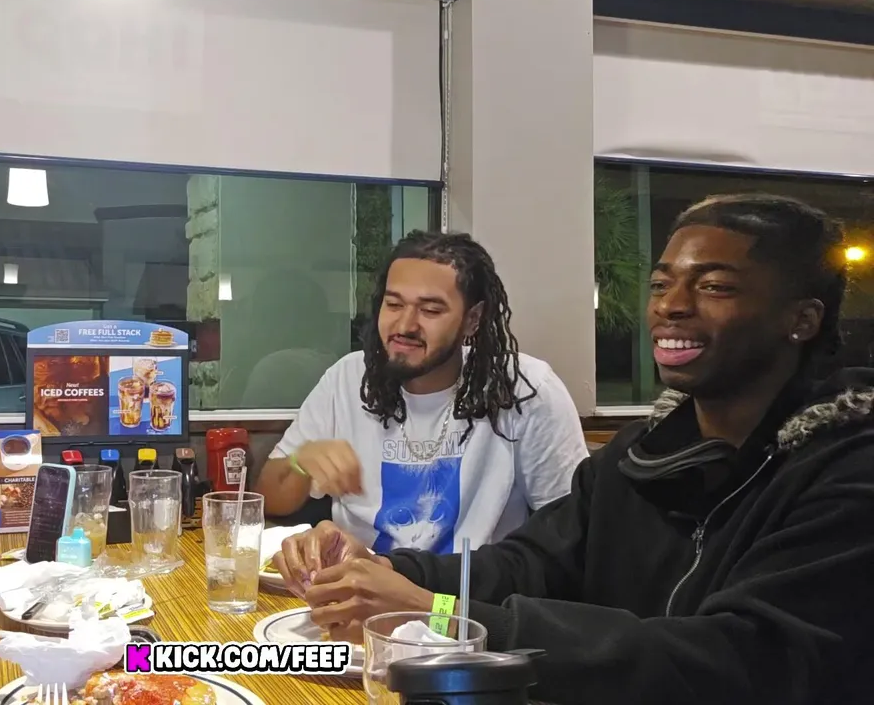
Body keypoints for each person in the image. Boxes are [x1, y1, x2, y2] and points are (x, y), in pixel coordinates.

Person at [274, 194, 874, 705]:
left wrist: (441, 615)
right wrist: (390, 571)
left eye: (714, 286)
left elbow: (740, 660)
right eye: (661, 284)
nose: (671, 305)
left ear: (801, 320)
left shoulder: (848, 470)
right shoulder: (645, 453)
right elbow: (534, 560)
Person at [254, 231, 587, 555]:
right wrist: (301, 463)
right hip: (355, 583)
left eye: (430, 310)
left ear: (472, 319)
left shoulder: (523, 388)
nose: (405, 325)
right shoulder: (348, 378)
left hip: (468, 589)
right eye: (393, 304)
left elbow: (570, 532)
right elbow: (269, 500)